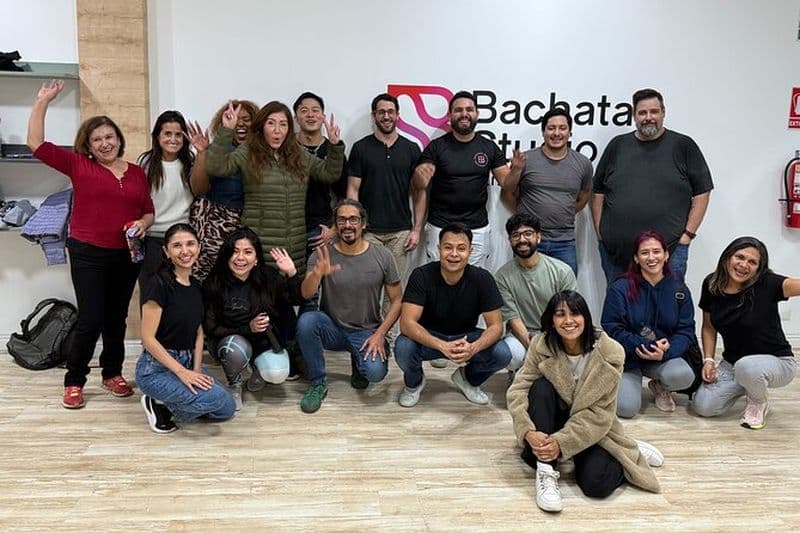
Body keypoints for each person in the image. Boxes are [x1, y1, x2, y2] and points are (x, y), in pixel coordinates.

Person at [27, 79, 154, 409]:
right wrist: (43, 101)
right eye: (97, 139)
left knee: (116, 318)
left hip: (127, 254)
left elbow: (148, 210)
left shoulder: (137, 172)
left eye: (109, 137)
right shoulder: (78, 165)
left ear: (118, 139)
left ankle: (112, 373)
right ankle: (74, 380)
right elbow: (36, 144)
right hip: (87, 252)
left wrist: (143, 223)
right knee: (91, 318)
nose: (105, 143)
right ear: (88, 145)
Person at [507, 291, 662, 513]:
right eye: (560, 314)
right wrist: (528, 432)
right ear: (552, 320)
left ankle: (627, 450)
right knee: (540, 388)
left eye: (575, 314)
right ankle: (546, 472)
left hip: (589, 425)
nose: (568, 321)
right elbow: (518, 390)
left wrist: (561, 443)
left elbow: (600, 413)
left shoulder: (610, 352)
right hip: (553, 418)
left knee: (595, 484)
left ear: (586, 317)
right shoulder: (541, 345)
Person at [205, 100, 344, 274]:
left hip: (294, 245)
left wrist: (334, 146)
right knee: (261, 296)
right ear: (262, 126)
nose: (277, 130)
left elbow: (329, 173)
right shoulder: (248, 151)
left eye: (283, 124)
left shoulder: (298, 153)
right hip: (260, 245)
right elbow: (215, 167)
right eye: (271, 123)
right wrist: (226, 130)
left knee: (292, 294)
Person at [591, 88, 714, 282]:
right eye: (642, 112)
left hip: (669, 254)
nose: (648, 117)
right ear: (634, 116)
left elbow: (702, 193)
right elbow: (598, 192)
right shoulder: (617, 146)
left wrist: (687, 235)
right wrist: (600, 233)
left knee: (667, 310)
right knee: (620, 310)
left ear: (663, 112)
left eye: (654, 112)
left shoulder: (683, 146)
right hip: (617, 255)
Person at [295, 199, 402, 413]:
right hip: (332, 328)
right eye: (342, 220)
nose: (347, 225)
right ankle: (318, 383)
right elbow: (306, 294)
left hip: (366, 332)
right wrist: (317, 273)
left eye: (353, 219)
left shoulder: (383, 256)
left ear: (363, 224)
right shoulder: (321, 254)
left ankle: (358, 363)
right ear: (336, 225)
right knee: (307, 321)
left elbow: (398, 300)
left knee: (375, 373)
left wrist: (381, 334)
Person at [394, 223, 512, 407]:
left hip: (466, 337)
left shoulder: (483, 279)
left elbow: (496, 327)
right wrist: (442, 346)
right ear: (439, 248)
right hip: (430, 337)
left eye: (461, 248)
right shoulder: (421, 275)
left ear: (470, 251)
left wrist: (473, 348)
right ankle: (414, 383)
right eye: (448, 247)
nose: (454, 254)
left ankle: (468, 379)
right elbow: (407, 323)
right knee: (403, 347)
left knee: (503, 353)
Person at [137, 223, 235, 433]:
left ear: (199, 247)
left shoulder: (197, 286)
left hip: (188, 361)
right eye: (177, 246)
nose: (185, 251)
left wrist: (196, 369)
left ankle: (171, 402)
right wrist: (182, 373)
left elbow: (199, 333)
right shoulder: (158, 284)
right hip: (156, 369)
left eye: (190, 244)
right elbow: (148, 339)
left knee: (227, 408)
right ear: (166, 251)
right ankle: (158, 404)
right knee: (215, 398)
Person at [693, 237, 800, 429]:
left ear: (759, 269)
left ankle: (758, 401)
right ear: (727, 258)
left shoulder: (768, 283)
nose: (744, 265)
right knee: (703, 406)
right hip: (733, 364)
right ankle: (749, 382)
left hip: (778, 363)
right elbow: (709, 326)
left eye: (752, 262)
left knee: (747, 367)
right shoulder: (711, 283)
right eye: (739, 257)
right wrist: (708, 360)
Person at [411, 90, 523, 267]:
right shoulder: (436, 147)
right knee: (439, 279)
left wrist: (516, 170)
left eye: (469, 109)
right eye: (459, 110)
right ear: (450, 115)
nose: (464, 114)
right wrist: (419, 178)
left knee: (474, 279)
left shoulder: (489, 147)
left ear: (477, 113)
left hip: (477, 228)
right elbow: (419, 186)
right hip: (440, 226)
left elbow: (507, 184)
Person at [203, 227, 304, 410]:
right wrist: (247, 328)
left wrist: (292, 273)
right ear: (226, 256)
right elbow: (211, 328)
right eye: (235, 251)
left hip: (263, 342)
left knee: (277, 373)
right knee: (234, 348)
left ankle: (257, 370)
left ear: (256, 258)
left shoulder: (269, 277)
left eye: (248, 252)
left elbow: (297, 299)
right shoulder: (214, 283)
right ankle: (234, 385)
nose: (240, 258)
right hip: (231, 340)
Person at [601, 230, 696, 418]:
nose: (651, 257)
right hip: (628, 358)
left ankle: (660, 385)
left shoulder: (679, 290)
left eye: (656, 251)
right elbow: (611, 326)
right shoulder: (619, 288)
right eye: (644, 253)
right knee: (626, 409)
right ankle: (620, 381)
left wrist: (666, 352)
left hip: (662, 356)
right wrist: (642, 344)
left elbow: (686, 330)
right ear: (636, 258)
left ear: (666, 255)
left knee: (684, 376)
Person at [501, 108, 592, 275]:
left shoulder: (583, 163)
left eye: (562, 128)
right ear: (543, 132)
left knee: (566, 296)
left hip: (565, 242)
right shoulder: (525, 160)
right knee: (526, 293)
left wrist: (565, 210)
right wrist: (524, 213)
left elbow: (584, 197)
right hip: (529, 240)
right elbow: (507, 192)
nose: (556, 133)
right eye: (551, 128)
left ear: (569, 132)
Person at [347, 92, 424, 280]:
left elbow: (419, 192)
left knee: (396, 288)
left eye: (391, 111)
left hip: (401, 233)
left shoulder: (411, 149)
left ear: (398, 115)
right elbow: (352, 190)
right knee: (367, 286)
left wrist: (416, 230)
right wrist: (356, 226)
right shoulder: (360, 148)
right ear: (374, 116)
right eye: (381, 112)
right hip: (369, 233)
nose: (386, 116)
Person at [495, 214, 577, 374]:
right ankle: (519, 370)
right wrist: (536, 348)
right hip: (522, 334)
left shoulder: (562, 271)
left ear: (538, 237)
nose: (522, 239)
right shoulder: (502, 277)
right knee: (510, 355)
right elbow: (513, 319)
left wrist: (550, 342)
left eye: (528, 233)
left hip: (554, 331)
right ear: (510, 240)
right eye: (516, 235)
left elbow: (567, 314)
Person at [188, 99, 258, 281]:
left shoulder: (261, 154)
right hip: (214, 223)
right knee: (207, 278)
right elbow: (198, 189)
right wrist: (203, 153)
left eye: (246, 119)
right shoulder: (216, 151)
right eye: (234, 118)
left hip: (247, 223)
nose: (240, 123)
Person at [137, 110, 196, 289]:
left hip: (181, 237)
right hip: (152, 237)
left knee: (179, 291)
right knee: (151, 292)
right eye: (167, 134)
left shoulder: (190, 161)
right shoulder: (146, 161)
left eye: (178, 135)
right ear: (157, 136)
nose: (173, 139)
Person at [292, 92, 348, 258]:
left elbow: (345, 195)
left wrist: (334, 229)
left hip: (321, 230)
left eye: (315, 110)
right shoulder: (286, 150)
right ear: (296, 119)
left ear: (323, 117)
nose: (310, 115)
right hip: (290, 229)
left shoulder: (334, 150)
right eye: (304, 110)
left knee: (321, 280)